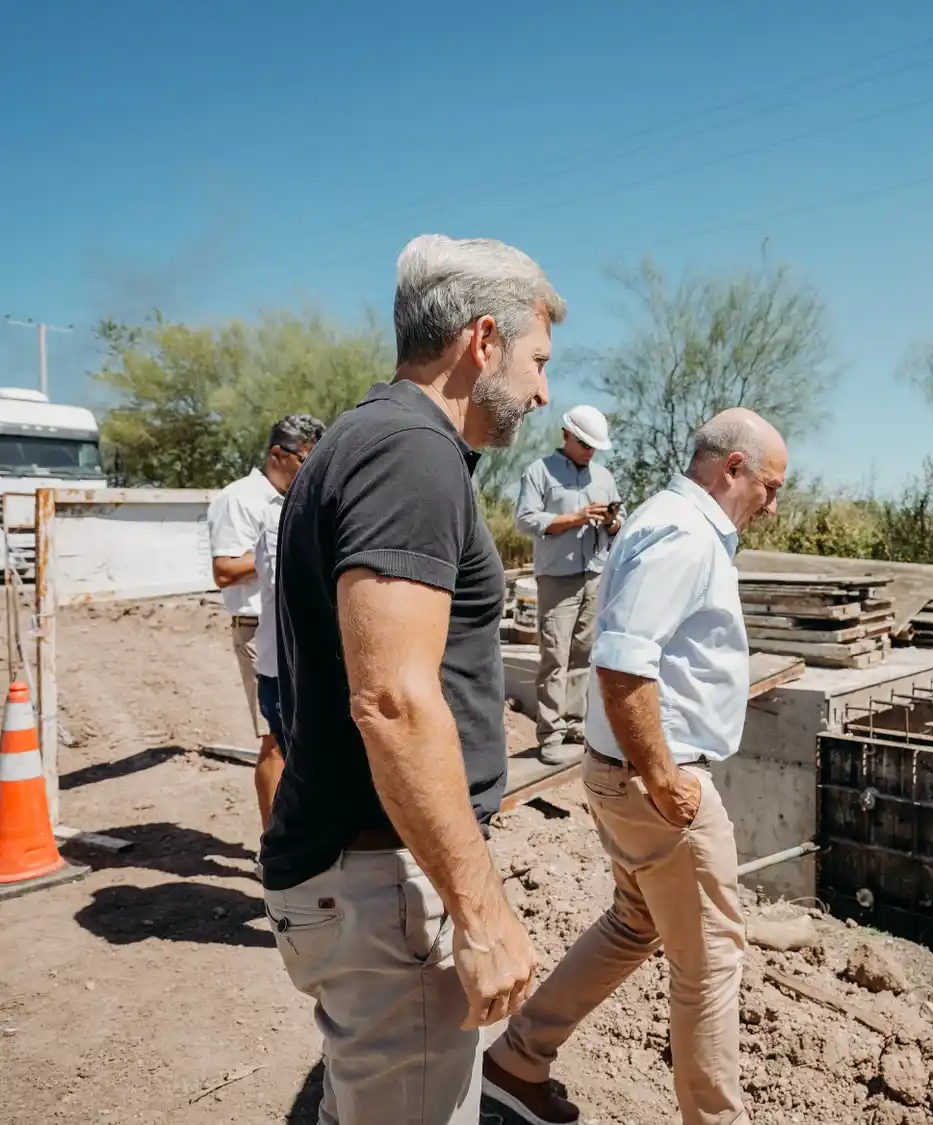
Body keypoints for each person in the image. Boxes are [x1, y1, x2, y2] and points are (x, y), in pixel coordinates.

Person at [259, 234, 565, 1125]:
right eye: (538, 360)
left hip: (364, 872)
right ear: (482, 341)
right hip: (380, 879)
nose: (543, 390)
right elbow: (391, 699)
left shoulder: (372, 439)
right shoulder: (410, 453)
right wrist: (480, 912)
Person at [486, 407, 787, 1125]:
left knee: (634, 921)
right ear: (732, 468)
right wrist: (663, 777)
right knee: (711, 962)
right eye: (768, 486)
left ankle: (517, 1059)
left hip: (630, 769)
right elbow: (622, 663)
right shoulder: (684, 533)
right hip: (657, 775)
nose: (772, 504)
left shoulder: (666, 520)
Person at [206, 413, 324, 829]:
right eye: (305, 460)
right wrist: (279, 554)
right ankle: (274, 842)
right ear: (279, 454)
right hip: (259, 629)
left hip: (287, 625)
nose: (309, 470)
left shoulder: (291, 500)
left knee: (296, 735)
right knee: (274, 738)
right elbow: (223, 569)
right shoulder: (240, 500)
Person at [514, 405, 622, 765]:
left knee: (583, 655)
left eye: (595, 447)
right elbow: (526, 520)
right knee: (554, 657)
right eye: (585, 444)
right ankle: (550, 735)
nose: (590, 451)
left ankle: (576, 725)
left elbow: (618, 524)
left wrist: (611, 522)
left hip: (595, 574)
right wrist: (571, 518)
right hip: (557, 577)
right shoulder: (539, 472)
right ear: (566, 435)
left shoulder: (604, 477)